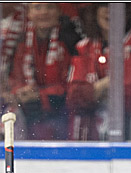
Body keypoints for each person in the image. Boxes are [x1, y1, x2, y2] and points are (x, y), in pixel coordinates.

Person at [6, 2, 80, 140]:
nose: (44, 12)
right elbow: (14, 77)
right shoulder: (22, 40)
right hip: (31, 111)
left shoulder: (70, 38)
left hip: (63, 112)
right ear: (29, 13)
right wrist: (19, 91)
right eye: (37, 7)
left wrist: (40, 94)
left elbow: (72, 84)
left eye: (50, 7)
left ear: (59, 11)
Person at [66, 4, 110, 141]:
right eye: (104, 4)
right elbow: (74, 98)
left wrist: (93, 92)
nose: (109, 10)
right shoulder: (83, 47)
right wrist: (104, 85)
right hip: (86, 133)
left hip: (123, 130)